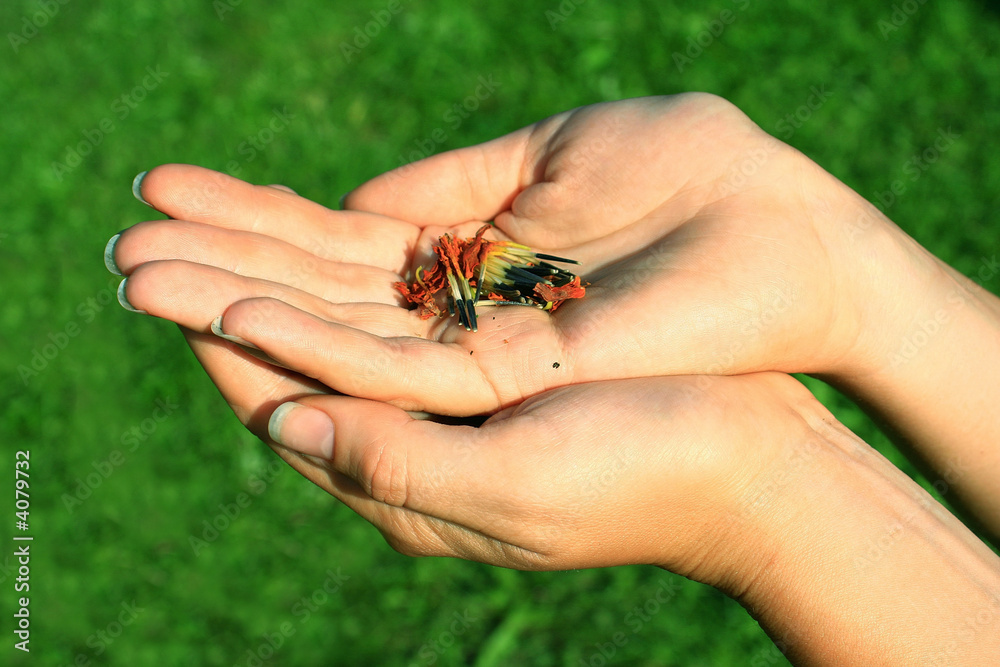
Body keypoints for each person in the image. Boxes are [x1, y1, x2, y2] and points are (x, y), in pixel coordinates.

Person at [105, 93, 1000, 664]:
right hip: (505, 280)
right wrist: (841, 271)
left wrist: (768, 488)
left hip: (514, 283)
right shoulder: (483, 274)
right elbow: (484, 278)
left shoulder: (512, 277)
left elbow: (524, 282)